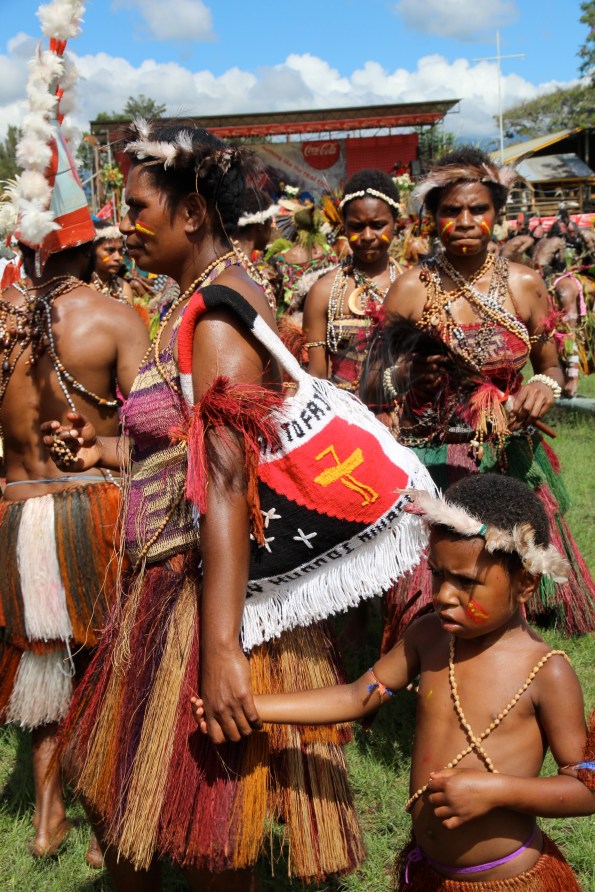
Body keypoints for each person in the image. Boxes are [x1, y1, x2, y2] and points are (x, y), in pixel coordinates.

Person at [45, 120, 374, 891]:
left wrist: (221, 652)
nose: (123, 226)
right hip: (167, 582)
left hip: (203, 598)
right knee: (150, 813)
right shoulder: (189, 302)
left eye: (136, 207)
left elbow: (226, 481)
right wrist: (101, 451)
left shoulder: (221, 314)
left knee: (210, 831)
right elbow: (181, 450)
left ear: (192, 212)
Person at [193, 474, 595, 891]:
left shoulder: (547, 672)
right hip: (429, 875)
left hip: (508, 880)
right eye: (438, 575)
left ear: (526, 583)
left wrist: (496, 790)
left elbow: (585, 789)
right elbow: (357, 696)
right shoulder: (429, 637)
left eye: (466, 582)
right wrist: (254, 707)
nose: (444, 595)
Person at [0, 82, 149, 865]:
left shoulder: (2, 317)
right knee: (103, 660)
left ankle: (47, 815)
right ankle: (108, 817)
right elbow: (162, 431)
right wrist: (102, 448)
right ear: (89, 244)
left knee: (38, 661)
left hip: (14, 508)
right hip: (86, 509)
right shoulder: (116, 317)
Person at [374, 146, 595, 644]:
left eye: (479, 209)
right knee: (436, 590)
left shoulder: (524, 284)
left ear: (496, 213)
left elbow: (549, 362)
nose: (466, 220)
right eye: (451, 211)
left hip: (507, 450)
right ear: (432, 219)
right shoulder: (410, 289)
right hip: (432, 455)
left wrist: (544, 385)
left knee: (514, 583)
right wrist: (409, 379)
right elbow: (376, 385)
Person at [304, 169, 403, 393]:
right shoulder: (323, 291)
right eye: (357, 227)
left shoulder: (414, 286)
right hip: (347, 420)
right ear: (345, 227)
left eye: (378, 225)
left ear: (395, 223)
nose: (367, 236)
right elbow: (316, 377)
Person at [89, 220, 134, 304]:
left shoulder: (123, 287)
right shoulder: (83, 288)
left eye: (120, 250)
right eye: (110, 250)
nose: (117, 257)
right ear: (92, 250)